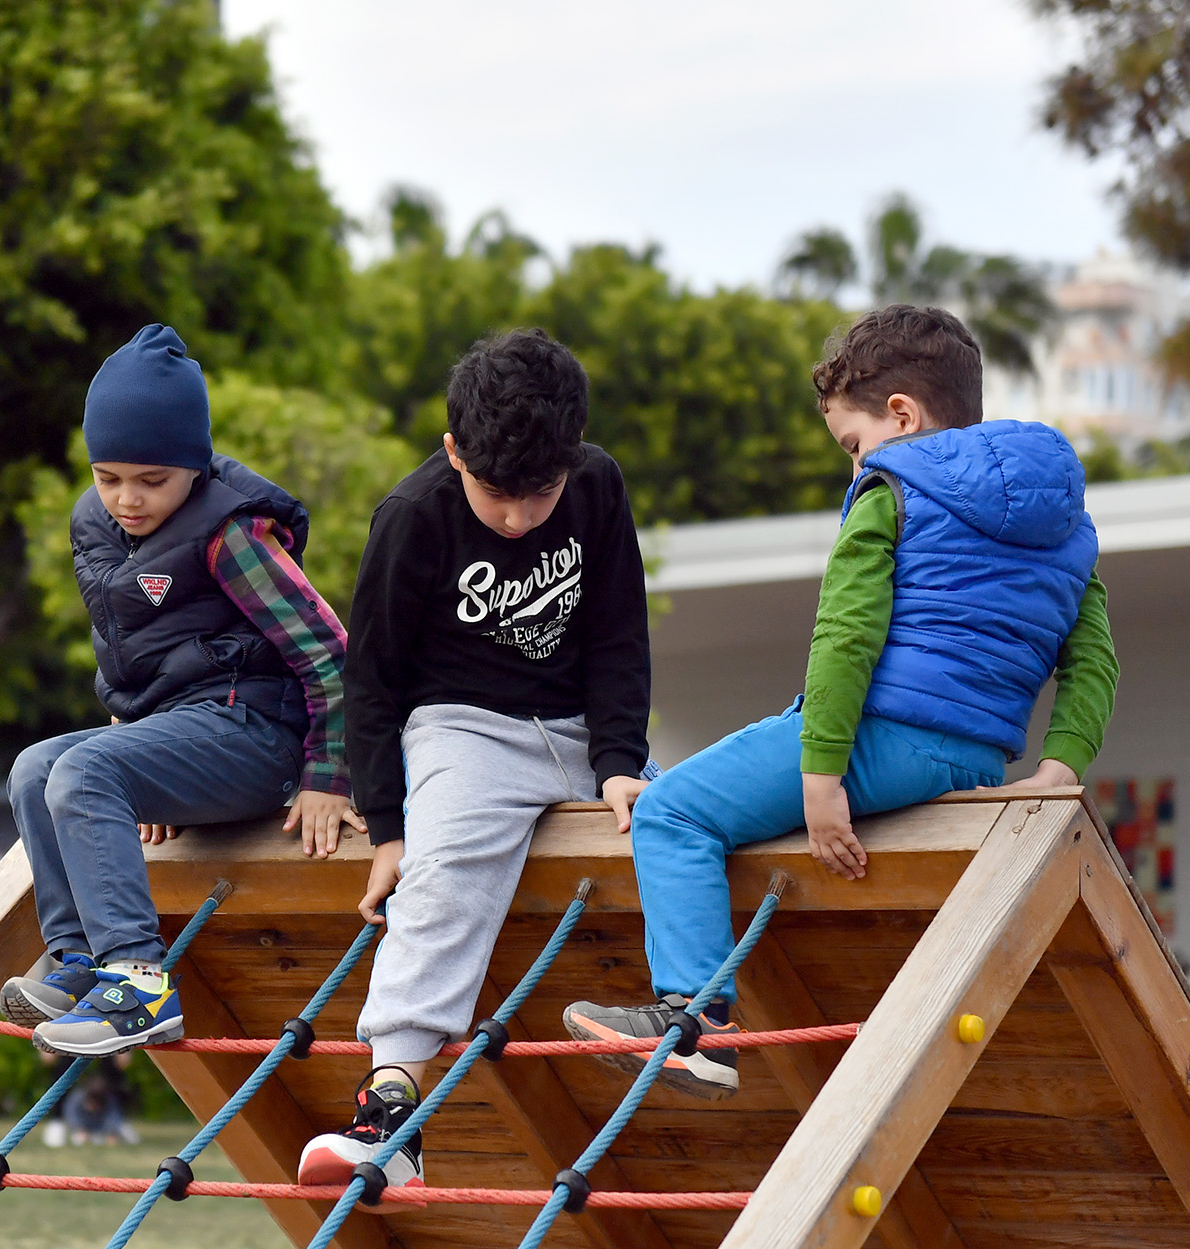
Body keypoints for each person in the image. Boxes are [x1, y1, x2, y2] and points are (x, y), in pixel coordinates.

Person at [564, 304, 1119, 1097]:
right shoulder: (1068, 526)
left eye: (853, 445)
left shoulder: (892, 488)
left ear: (902, 415)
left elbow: (846, 638)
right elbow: (1093, 653)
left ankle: (696, 1024)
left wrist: (820, 780)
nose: (853, 467)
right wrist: (1060, 765)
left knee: (673, 811)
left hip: (880, 739)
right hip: (979, 758)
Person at [296, 329, 653, 1195]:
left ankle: (680, 1021)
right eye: (499, 496)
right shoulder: (413, 516)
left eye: (542, 493)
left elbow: (617, 635)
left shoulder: (598, 486)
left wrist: (619, 761)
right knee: (444, 868)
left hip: (575, 729)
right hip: (463, 727)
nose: (522, 518)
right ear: (455, 450)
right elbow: (371, 680)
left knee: (670, 835)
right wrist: (388, 828)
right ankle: (392, 1112)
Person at [1, 324, 360, 1057]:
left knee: (85, 769)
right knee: (36, 769)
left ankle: (138, 983)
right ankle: (78, 964)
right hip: (188, 726)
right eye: (108, 477)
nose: (127, 499)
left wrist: (329, 776)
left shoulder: (230, 532)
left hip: (260, 732)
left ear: (193, 466)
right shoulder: (96, 525)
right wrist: (147, 763)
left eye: (152, 480)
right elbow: (135, 654)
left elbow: (333, 654)